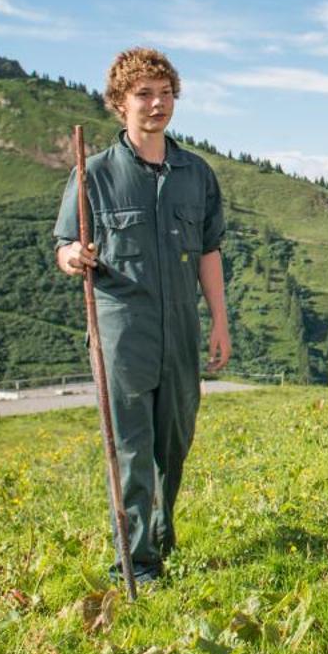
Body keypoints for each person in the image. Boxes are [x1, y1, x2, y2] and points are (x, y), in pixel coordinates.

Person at [54, 48, 229, 584]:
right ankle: (136, 561)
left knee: (173, 441)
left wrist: (219, 321)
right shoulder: (95, 175)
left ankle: (160, 533)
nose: (157, 104)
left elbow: (209, 252)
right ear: (119, 104)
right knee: (131, 447)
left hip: (180, 329)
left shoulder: (195, 174)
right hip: (121, 332)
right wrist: (74, 258)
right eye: (144, 94)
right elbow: (63, 246)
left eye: (165, 92)